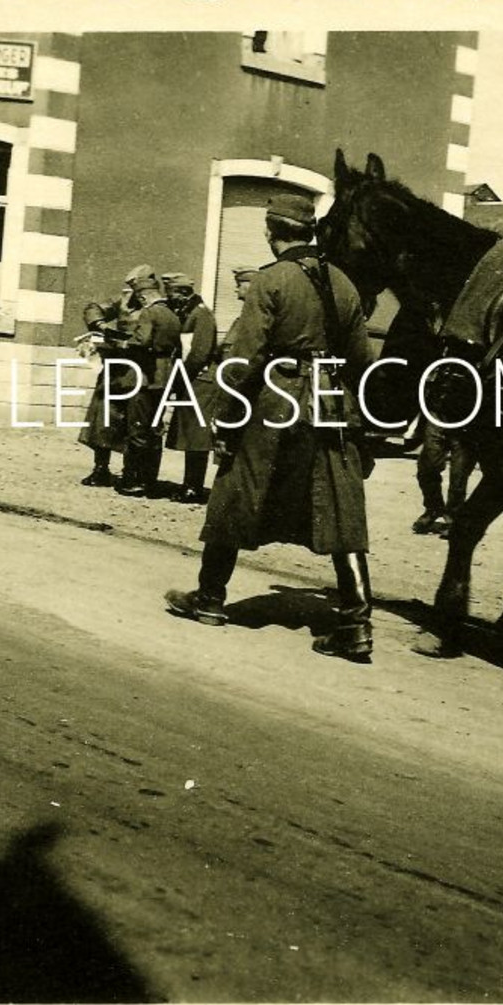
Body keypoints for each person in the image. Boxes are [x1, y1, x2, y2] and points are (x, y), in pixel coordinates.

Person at [165, 192, 378, 661]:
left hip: (275, 401)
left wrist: (225, 415)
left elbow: (244, 357)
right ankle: (357, 626)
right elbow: (363, 360)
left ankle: (210, 599)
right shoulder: (344, 283)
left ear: (271, 232)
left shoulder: (270, 281)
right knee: (340, 507)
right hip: (331, 403)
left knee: (236, 491)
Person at [116, 267, 183, 498]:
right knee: (154, 430)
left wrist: (122, 344)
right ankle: (150, 481)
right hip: (163, 377)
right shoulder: (173, 314)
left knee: (136, 429)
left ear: (143, 296)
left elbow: (142, 341)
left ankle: (132, 481)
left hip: (144, 376)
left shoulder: (149, 313)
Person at [161, 272, 222, 504]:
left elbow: (199, 354)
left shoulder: (201, 315)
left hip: (201, 382)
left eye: (174, 294)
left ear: (185, 293)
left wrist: (180, 380)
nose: (172, 299)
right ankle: (189, 484)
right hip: (193, 381)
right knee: (190, 437)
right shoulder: (192, 313)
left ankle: (193, 487)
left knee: (197, 439)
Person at [75, 279, 140, 486]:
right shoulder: (122, 301)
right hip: (116, 367)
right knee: (102, 417)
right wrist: (101, 325)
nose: (133, 294)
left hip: (138, 369)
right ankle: (100, 468)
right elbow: (93, 308)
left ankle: (131, 472)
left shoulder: (156, 307)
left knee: (133, 422)